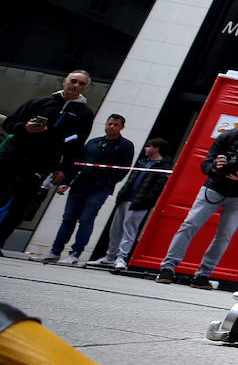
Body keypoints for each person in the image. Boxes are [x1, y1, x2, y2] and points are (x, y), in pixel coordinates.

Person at [155, 115, 238, 288]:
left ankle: (203, 274)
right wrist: (214, 166)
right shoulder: (226, 137)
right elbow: (205, 164)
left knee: (225, 235)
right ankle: (167, 268)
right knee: (190, 224)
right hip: (214, 187)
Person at [0, 70, 96, 250]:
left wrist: (63, 169)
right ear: (65, 81)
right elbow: (9, 123)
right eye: (73, 81)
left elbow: (77, 145)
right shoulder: (40, 102)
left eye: (81, 84)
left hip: (41, 164)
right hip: (12, 156)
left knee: (19, 206)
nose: (76, 85)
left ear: (86, 87)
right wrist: (25, 128)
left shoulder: (85, 114)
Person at [33, 113, 134, 264]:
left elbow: (123, 169)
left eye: (116, 125)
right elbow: (78, 163)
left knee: (86, 219)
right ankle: (55, 251)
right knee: (68, 218)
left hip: (100, 188)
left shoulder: (125, 146)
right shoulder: (93, 142)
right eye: (109, 124)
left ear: (122, 127)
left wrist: (108, 183)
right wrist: (66, 182)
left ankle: (75, 253)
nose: (111, 127)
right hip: (80, 185)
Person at [87, 137, 173, 270]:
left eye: (149, 146)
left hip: (140, 201)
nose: (146, 148)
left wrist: (147, 200)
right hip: (126, 198)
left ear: (156, 148)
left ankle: (121, 257)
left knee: (129, 230)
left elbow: (158, 187)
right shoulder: (142, 162)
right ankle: (110, 256)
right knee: (116, 229)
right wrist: (122, 194)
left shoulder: (164, 166)